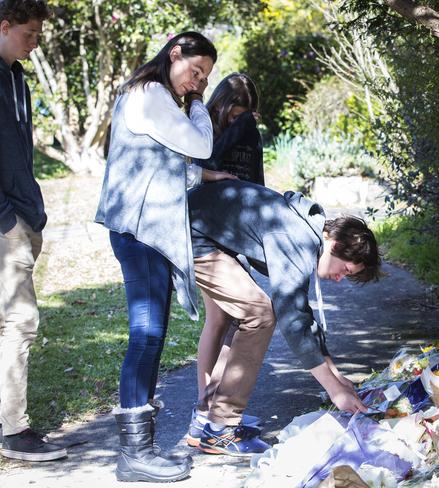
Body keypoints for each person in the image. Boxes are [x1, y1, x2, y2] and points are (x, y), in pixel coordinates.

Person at [95, 32, 234, 482]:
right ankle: (135, 455)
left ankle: (140, 449)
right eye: (196, 72)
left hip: (142, 230)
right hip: (140, 232)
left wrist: (203, 175)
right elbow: (199, 145)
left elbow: (165, 163)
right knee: (147, 335)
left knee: (150, 336)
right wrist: (198, 106)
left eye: (204, 79)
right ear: (175, 53)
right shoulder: (151, 93)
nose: (196, 83)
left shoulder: (146, 94)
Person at [186, 180, 381, 456]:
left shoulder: (305, 232)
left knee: (247, 314)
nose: (339, 279)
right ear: (335, 244)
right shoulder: (297, 238)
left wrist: (338, 378)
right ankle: (220, 428)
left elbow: (302, 314)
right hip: (188, 231)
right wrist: (334, 391)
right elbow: (293, 320)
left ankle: (206, 419)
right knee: (260, 314)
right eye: (345, 271)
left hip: (201, 229)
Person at [0, 0, 66, 462]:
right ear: (4, 26)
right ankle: (15, 432)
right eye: (29, 33)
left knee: (0, 318)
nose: (35, 40)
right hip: (3, 220)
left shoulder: (11, 76)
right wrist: (6, 218)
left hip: (15, 214)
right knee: (22, 320)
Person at [187, 73, 265, 445]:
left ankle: (208, 410)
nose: (241, 124)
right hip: (206, 231)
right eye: (235, 117)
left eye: (246, 117)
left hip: (233, 230)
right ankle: (203, 413)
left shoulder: (243, 133)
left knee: (230, 318)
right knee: (220, 319)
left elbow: (255, 179)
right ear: (221, 107)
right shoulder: (203, 135)